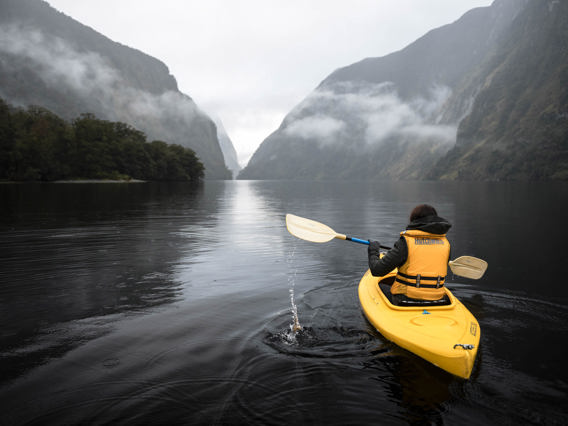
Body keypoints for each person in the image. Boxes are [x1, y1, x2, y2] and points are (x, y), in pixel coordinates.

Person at [368, 204, 451, 304]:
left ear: (414, 220)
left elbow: (377, 270)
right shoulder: (446, 244)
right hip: (438, 299)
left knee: (378, 287)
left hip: (406, 299)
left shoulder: (405, 242)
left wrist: (373, 250)